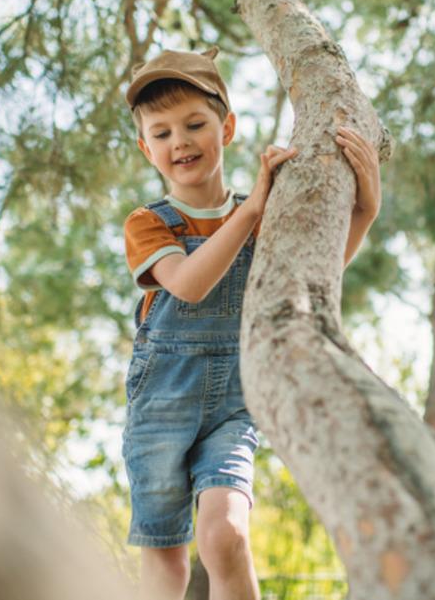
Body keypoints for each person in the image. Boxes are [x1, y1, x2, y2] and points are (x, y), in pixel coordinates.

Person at [121, 47, 380, 600]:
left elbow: (313, 271)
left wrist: (364, 211)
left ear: (227, 127)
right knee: (165, 564)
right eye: (161, 134)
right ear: (147, 149)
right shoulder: (149, 223)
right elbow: (189, 284)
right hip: (161, 403)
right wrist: (252, 210)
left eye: (194, 124)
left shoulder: (258, 212)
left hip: (234, 404)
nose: (180, 142)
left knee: (226, 537)